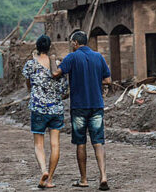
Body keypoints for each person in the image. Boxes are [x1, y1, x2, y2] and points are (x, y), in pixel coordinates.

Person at [51, 31, 111, 191]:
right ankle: (103, 176)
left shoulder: (72, 57)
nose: (71, 44)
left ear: (75, 43)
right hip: (97, 105)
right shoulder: (98, 56)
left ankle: (83, 179)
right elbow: (108, 80)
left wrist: (52, 60)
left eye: (72, 42)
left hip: (79, 107)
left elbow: (56, 73)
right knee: (98, 142)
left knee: (81, 143)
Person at [22, 35, 68, 188]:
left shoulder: (30, 64)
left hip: (38, 108)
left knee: (39, 144)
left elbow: (28, 84)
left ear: (37, 47)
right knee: (55, 144)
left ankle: (43, 170)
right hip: (56, 109)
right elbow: (63, 90)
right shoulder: (57, 65)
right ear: (50, 47)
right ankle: (50, 180)